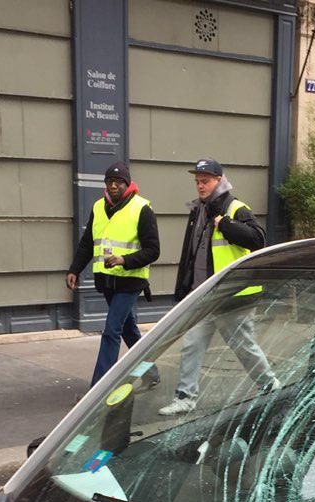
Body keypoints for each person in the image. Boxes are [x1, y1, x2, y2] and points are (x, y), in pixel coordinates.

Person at [159, 158, 277, 416]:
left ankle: (270, 385)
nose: (200, 186)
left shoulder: (235, 208)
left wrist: (225, 224)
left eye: (206, 181)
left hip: (233, 296)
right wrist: (185, 288)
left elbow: (258, 239)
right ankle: (185, 398)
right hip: (205, 294)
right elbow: (191, 254)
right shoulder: (198, 210)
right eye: (197, 181)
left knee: (243, 347)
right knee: (192, 345)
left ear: (219, 180)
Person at [67, 161, 161, 386]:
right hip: (107, 281)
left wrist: (124, 260)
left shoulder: (142, 208)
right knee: (129, 331)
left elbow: (153, 250)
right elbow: (87, 243)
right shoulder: (99, 207)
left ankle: (99, 389)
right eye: (109, 181)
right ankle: (151, 373)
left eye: (119, 181)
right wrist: (74, 269)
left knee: (111, 330)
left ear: (127, 184)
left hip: (131, 280)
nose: (113, 185)